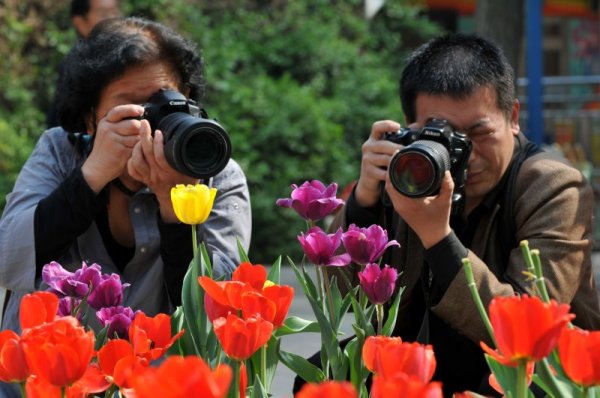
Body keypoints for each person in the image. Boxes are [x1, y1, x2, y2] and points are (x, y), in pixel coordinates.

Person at [306, 33, 600, 396]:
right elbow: (342, 291)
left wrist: (438, 237)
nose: (465, 156)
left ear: (512, 117)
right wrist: (363, 202)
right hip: (423, 353)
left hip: (516, 368)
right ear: (410, 126)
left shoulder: (555, 187)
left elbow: (527, 329)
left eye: (479, 133)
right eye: (445, 136)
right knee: (322, 372)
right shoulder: (409, 173)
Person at [0, 17, 251, 335]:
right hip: (50, 373)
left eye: (164, 102)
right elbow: (8, 263)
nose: (152, 124)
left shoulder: (216, 172)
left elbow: (216, 313)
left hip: (157, 379)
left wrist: (176, 206)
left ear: (186, 96)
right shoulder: (61, 151)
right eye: (134, 109)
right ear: (90, 118)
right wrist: (92, 175)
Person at [46, 0, 122, 128]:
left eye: (115, 10)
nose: (114, 19)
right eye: (103, 13)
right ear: (80, 23)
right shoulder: (76, 68)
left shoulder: (133, 59)